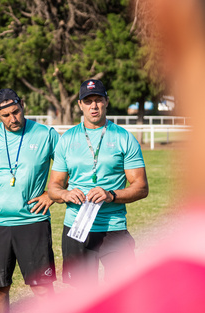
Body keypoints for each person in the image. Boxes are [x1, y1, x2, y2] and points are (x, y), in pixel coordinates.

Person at [48, 79, 149, 287]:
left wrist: (111, 195)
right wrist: (65, 194)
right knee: (81, 298)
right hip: (77, 227)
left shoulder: (124, 138)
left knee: (122, 293)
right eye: (88, 101)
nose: (93, 106)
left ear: (106, 102)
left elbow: (141, 187)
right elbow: (54, 187)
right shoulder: (67, 139)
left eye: (98, 100)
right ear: (79, 105)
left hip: (113, 227)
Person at [0, 88, 60, 312]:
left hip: (33, 223)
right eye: (6, 115)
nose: (13, 119)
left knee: (42, 289)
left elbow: (67, 166)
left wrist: (51, 194)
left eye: (16, 112)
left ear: (22, 106)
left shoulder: (46, 134)